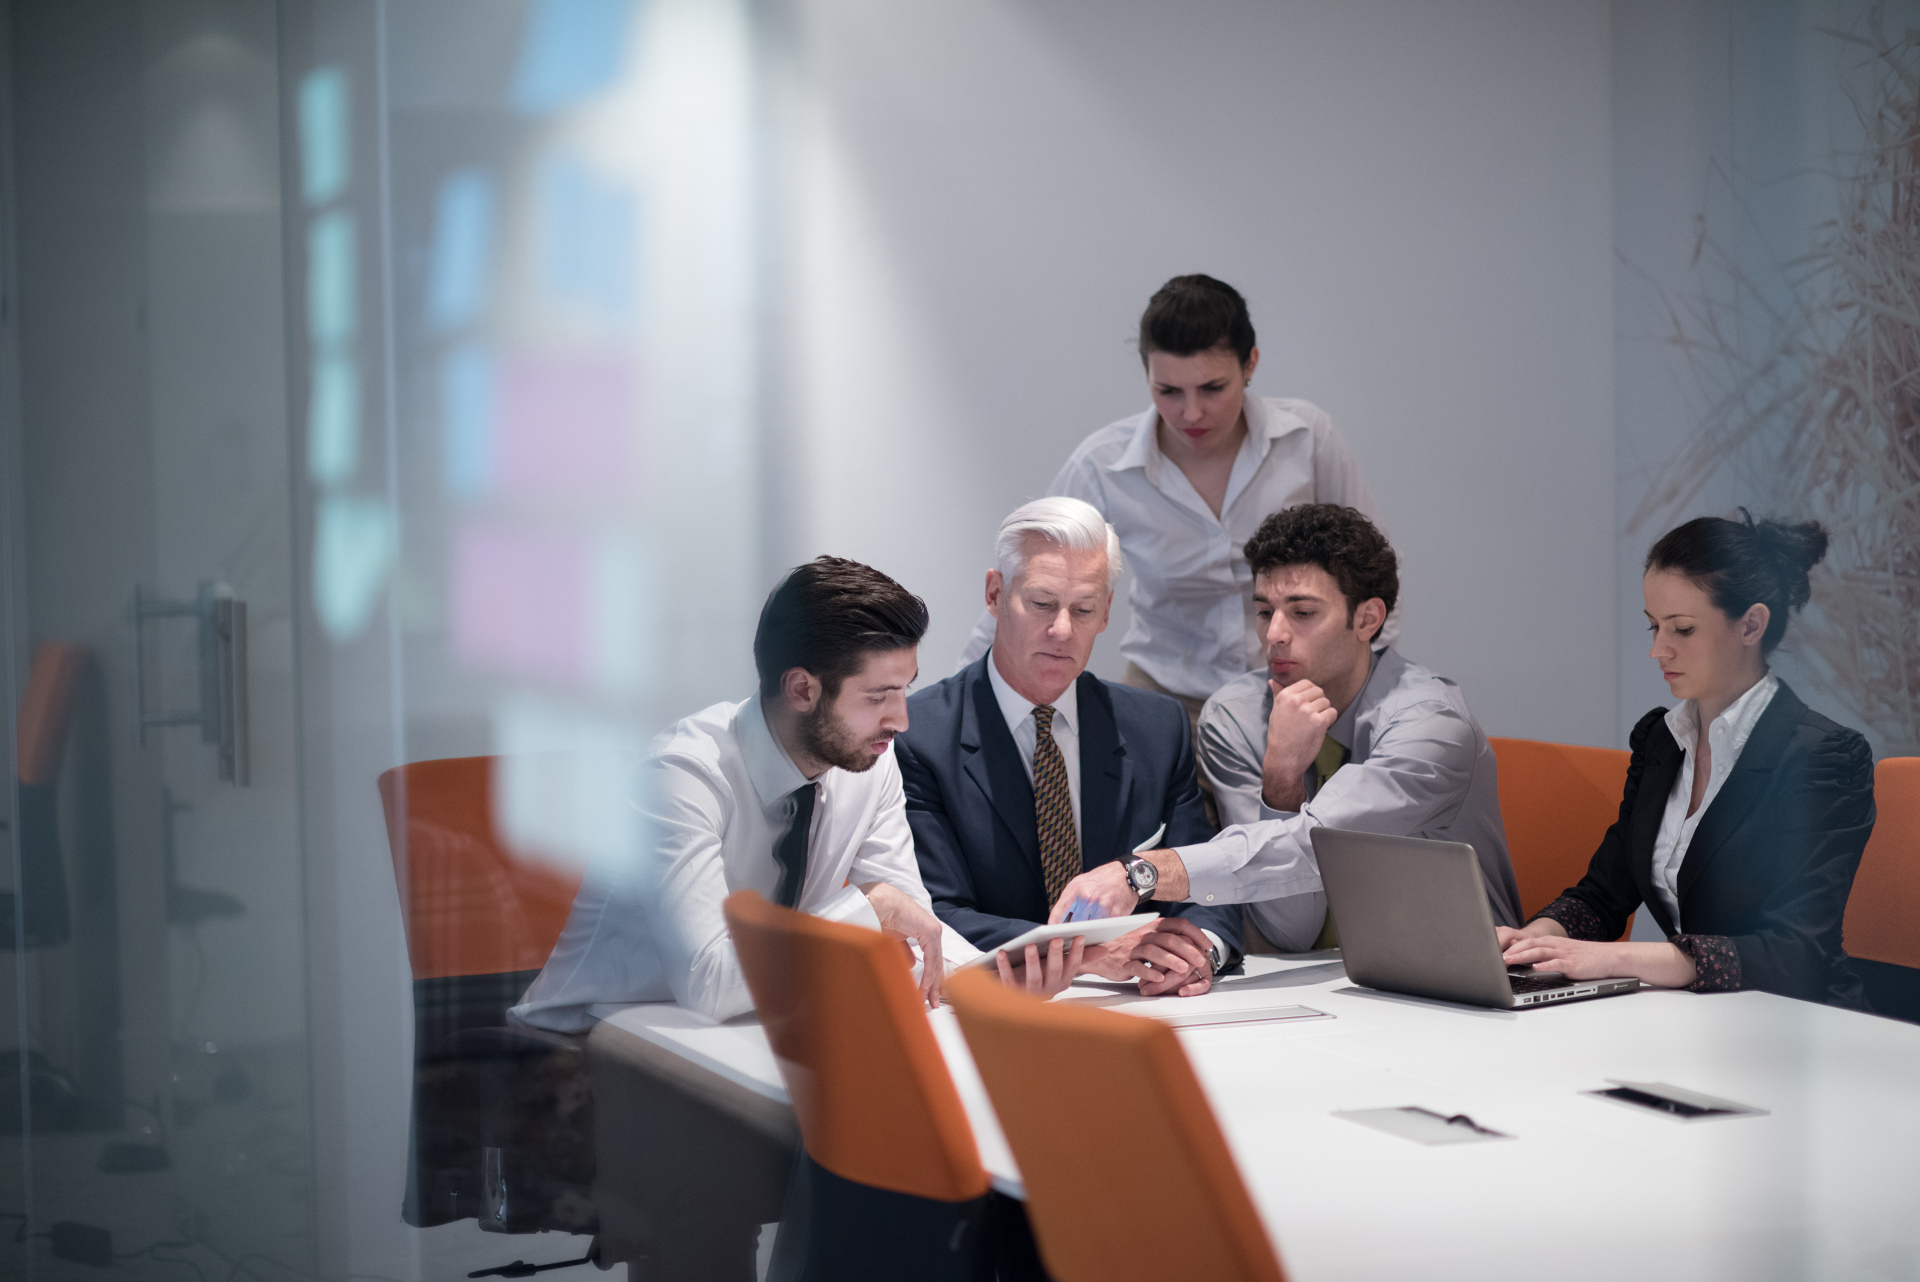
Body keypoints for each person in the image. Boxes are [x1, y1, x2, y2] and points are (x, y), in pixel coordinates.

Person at [513, 557, 1084, 1032]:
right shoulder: (681, 777)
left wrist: (989, 978)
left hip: (753, 1032)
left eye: (905, 690)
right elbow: (711, 984)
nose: (902, 719)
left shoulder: (869, 762)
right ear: (802, 689)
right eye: (878, 695)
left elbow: (913, 932)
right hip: (594, 1047)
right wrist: (869, 908)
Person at [1042, 504, 1522, 944]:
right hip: (1328, 985)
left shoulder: (1430, 724)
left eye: (1303, 612)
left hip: (1466, 972)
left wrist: (1143, 872)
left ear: (1368, 618)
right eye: (1265, 611)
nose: (1274, 635)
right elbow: (1290, 930)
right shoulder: (1237, 716)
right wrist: (1282, 780)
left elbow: (1312, 850)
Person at [958, 274, 1391, 731]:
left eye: (1212, 388)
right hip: (1165, 696)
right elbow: (1024, 585)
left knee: (1306, 804)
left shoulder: (1308, 439)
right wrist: (958, 705)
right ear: (1147, 376)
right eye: (1168, 392)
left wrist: (1360, 687)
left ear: (1251, 365)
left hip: (1302, 690)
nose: (1191, 412)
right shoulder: (1103, 466)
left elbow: (1375, 575)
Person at [1498, 513, 1875, 1005]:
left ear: (1751, 625)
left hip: (1798, 1029)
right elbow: (1602, 896)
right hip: (1695, 1018)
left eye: (1682, 628)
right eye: (1654, 626)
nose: (1657, 649)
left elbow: (1792, 951)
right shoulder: (1662, 739)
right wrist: (1529, 943)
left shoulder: (1822, 756)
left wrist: (1612, 959)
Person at [896, 498, 1244, 998]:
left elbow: (1205, 879)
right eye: (1041, 604)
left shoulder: (1157, 727)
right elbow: (936, 913)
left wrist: (1198, 953)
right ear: (994, 594)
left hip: (1154, 1008)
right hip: (992, 1010)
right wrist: (1092, 956)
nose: (1062, 630)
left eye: (1083, 610)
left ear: (1105, 612)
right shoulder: (920, 734)